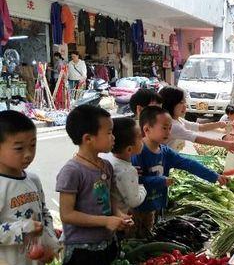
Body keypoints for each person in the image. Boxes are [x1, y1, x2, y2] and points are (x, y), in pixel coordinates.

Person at [131, 106, 229, 237]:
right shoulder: (138, 153)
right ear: (147, 129)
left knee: (152, 235)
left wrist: (214, 176)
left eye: (170, 128)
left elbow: (188, 164)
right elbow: (134, 182)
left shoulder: (165, 151)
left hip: (157, 204)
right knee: (139, 240)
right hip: (140, 210)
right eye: (164, 128)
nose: (168, 132)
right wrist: (160, 181)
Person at [56, 105, 132, 265]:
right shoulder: (72, 171)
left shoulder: (106, 166)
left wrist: (118, 215)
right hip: (81, 249)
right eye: (109, 133)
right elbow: (67, 215)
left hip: (107, 242)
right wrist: (105, 221)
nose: (114, 137)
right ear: (88, 139)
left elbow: (110, 197)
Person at [0, 111, 59, 265]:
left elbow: (44, 213)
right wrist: (24, 228)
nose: (28, 154)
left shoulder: (33, 179)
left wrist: (50, 243)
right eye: (19, 148)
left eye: (33, 145)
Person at [159, 86, 234, 153]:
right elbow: (196, 138)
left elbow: (200, 127)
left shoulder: (178, 120)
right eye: (181, 102)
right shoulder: (173, 125)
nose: (185, 105)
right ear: (170, 104)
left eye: (185, 102)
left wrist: (219, 124)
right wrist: (225, 144)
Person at [102, 118, 146, 214]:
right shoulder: (127, 171)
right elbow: (134, 201)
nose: (143, 138)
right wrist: (142, 188)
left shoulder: (109, 161)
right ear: (129, 149)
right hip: (121, 217)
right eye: (139, 137)